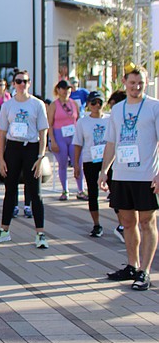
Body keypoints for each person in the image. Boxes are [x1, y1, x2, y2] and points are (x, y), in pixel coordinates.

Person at [100, 65, 159, 291]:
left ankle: (145, 271)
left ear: (146, 83)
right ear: (124, 82)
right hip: (122, 175)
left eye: (140, 83)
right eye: (132, 83)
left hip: (146, 175)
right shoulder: (117, 110)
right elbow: (111, 143)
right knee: (127, 222)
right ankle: (132, 265)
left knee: (147, 222)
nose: (136, 87)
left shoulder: (154, 107)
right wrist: (105, 170)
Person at [0, 70, 49, 248]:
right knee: (10, 190)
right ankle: (4, 230)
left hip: (31, 147)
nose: (22, 84)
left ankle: (40, 233)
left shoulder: (37, 104)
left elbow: (43, 132)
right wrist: (1, 158)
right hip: (13, 148)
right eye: (18, 81)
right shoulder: (8, 106)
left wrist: (41, 156)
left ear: (29, 83)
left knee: (35, 192)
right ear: (13, 84)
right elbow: (2, 134)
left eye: (25, 81)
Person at [73, 91, 109, 237]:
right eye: (93, 102)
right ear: (88, 104)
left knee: (117, 192)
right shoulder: (83, 122)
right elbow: (78, 144)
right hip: (90, 160)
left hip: (108, 161)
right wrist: (76, 164)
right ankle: (96, 224)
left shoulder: (110, 119)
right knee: (92, 193)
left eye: (100, 102)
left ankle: (121, 224)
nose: (97, 105)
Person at [47, 80, 84, 200]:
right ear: (58, 90)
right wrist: (52, 140)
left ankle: (81, 189)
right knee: (62, 164)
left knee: (77, 163)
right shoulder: (54, 105)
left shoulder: (74, 103)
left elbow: (78, 120)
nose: (65, 91)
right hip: (59, 135)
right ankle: (65, 190)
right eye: (63, 88)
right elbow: (50, 124)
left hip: (73, 136)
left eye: (68, 88)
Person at [106, 90, 127, 241]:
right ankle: (122, 226)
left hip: (137, 168)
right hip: (116, 166)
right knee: (118, 199)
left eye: (115, 105)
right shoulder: (112, 118)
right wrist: (104, 170)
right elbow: (110, 142)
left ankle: (126, 226)